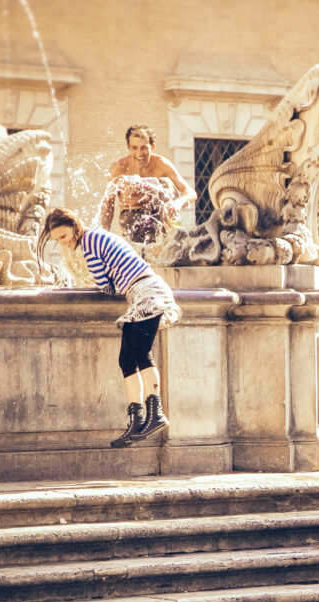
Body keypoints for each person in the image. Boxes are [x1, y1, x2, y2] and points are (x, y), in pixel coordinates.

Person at [37, 207, 181, 448]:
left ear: (74, 226)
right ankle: (137, 419)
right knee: (126, 359)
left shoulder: (88, 242)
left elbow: (105, 286)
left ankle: (156, 412)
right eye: (58, 239)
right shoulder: (93, 238)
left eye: (64, 236)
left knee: (142, 353)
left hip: (147, 291)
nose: (63, 242)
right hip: (140, 294)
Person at [98, 124, 196, 244]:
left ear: (152, 147)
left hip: (159, 214)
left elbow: (190, 192)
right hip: (132, 218)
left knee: (166, 183)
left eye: (144, 148)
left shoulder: (162, 164)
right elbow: (108, 204)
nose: (139, 153)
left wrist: (177, 204)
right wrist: (102, 237)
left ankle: (177, 242)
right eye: (134, 148)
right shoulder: (119, 168)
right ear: (128, 147)